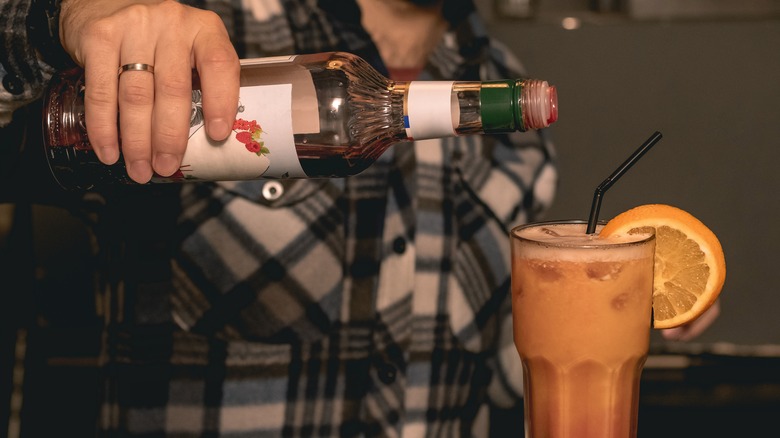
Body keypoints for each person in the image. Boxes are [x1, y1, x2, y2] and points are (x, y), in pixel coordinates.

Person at [0, 0, 718, 436]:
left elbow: (499, 373)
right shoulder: (208, 40)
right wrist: (67, 17)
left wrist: (618, 305)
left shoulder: (503, 98)